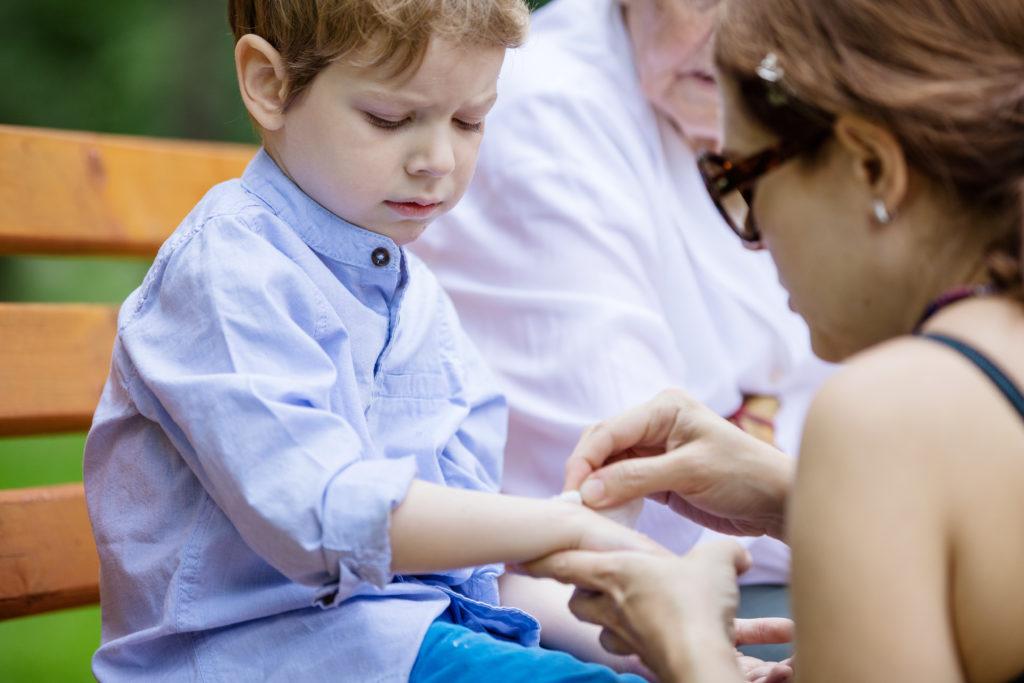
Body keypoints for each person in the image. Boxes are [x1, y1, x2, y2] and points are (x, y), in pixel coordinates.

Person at [81, 2, 682, 680]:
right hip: (261, 656)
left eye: (470, 121)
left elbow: (473, 578)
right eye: (391, 119)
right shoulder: (230, 270)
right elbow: (326, 512)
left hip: (402, 642)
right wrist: (558, 525)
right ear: (269, 85)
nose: (438, 160)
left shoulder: (418, 300)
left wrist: (664, 641)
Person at [524, 0, 1024, 680]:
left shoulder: (881, 417)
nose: (752, 237)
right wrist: (799, 498)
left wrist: (687, 645)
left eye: (740, 178)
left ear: (872, 167)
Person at [411, 0, 832, 659]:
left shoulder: (801, 102)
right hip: (595, 611)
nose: (736, 29)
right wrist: (833, 472)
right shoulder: (544, 109)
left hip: (772, 583)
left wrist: (784, 477)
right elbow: (645, 493)